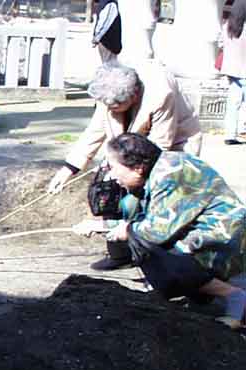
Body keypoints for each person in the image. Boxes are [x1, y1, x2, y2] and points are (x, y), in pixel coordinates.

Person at [74, 133, 246, 329]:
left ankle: (233, 296)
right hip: (209, 231)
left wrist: (118, 229)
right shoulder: (160, 167)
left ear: (138, 168)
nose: (112, 175)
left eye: (114, 168)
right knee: (134, 221)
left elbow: (156, 231)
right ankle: (196, 291)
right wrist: (100, 226)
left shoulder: (168, 175)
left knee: (146, 244)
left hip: (224, 240)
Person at [47, 62, 203, 271]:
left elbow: (158, 145)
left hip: (173, 144)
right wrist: (70, 168)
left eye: (114, 107)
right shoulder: (109, 86)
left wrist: (124, 169)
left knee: (146, 199)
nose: (109, 109)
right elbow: (95, 130)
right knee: (108, 190)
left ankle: (154, 256)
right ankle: (119, 253)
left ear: (134, 96)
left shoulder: (160, 94)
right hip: (128, 146)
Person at [221, 0, 246, 145]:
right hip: (244, 70)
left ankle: (230, 134)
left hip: (231, 70)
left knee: (233, 102)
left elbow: (221, 44)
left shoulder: (227, 27)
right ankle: (243, 129)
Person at [92, 0, 121, 64]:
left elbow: (105, 22)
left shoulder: (109, 3)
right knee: (107, 65)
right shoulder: (103, 3)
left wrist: (97, 37)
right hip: (104, 41)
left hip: (108, 43)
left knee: (108, 65)